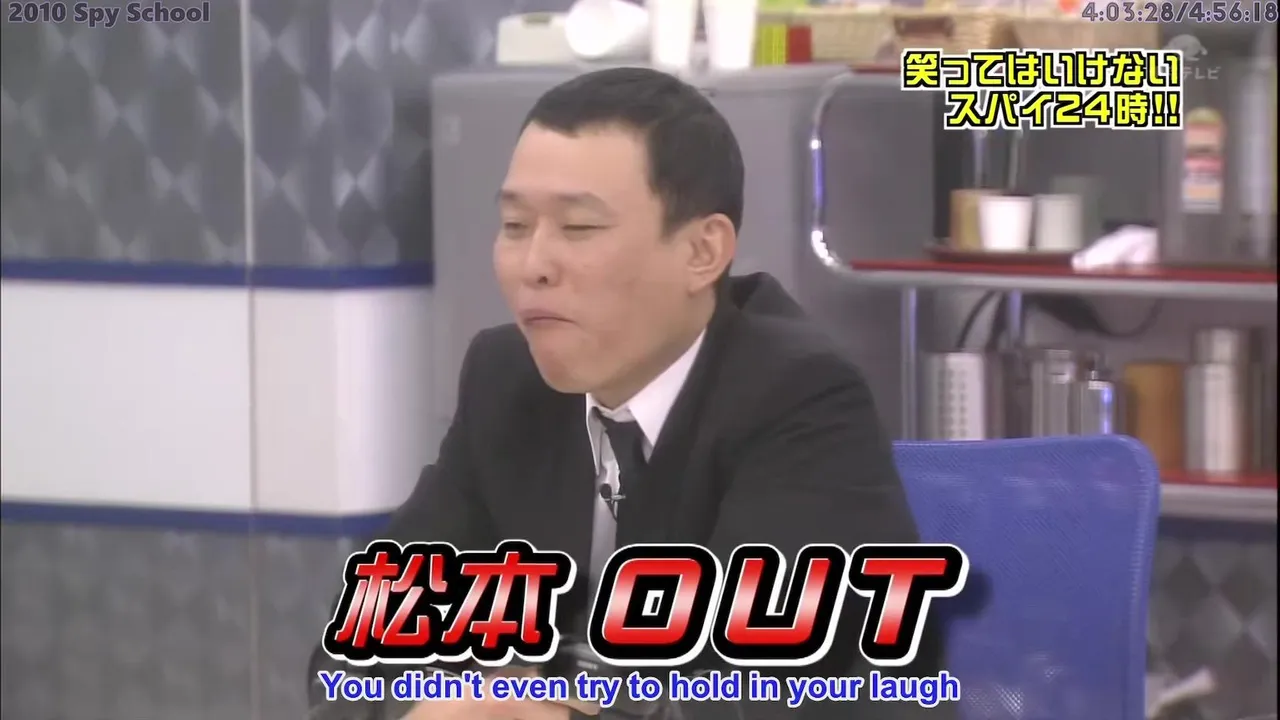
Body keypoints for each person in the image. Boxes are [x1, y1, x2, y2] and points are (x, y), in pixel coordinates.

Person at [308, 67, 946, 720]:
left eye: (579, 228)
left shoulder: (798, 396)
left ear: (702, 251)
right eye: (515, 225)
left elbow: (769, 695)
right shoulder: (505, 380)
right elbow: (355, 653)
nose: (534, 265)